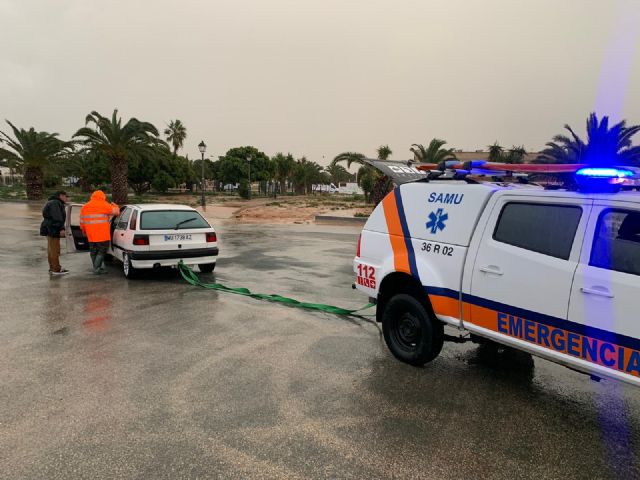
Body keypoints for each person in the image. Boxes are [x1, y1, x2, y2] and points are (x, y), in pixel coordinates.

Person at [79, 190, 120, 274]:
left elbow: (82, 221)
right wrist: (115, 205)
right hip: (102, 234)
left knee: (93, 251)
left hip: (90, 234)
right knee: (101, 250)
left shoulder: (85, 206)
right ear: (103, 197)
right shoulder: (104, 205)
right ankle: (97, 269)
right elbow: (116, 212)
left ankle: (96, 267)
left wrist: (83, 230)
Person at [40, 190, 70, 275]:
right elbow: (57, 217)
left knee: (51, 249)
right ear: (61, 196)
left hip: (50, 228)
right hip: (53, 228)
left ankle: (53, 268)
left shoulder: (54, 202)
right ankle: (56, 269)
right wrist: (61, 229)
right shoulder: (55, 203)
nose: (67, 198)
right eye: (66, 196)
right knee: (54, 250)